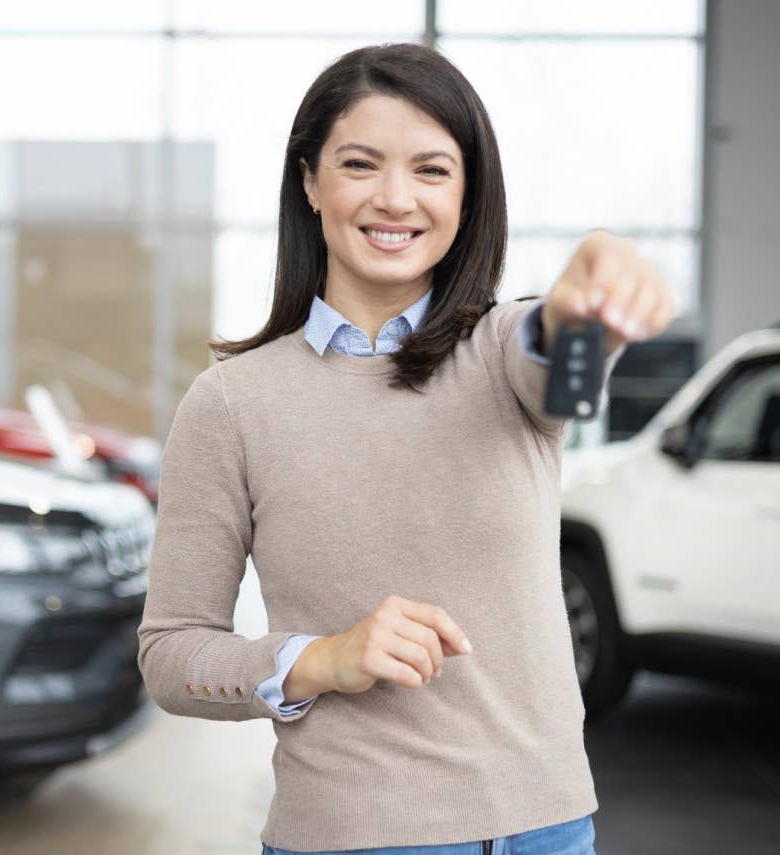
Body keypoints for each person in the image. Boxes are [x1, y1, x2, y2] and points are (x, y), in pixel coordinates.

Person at [136, 42, 676, 855]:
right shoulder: (231, 403)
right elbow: (171, 654)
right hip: (351, 837)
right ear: (311, 181)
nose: (396, 199)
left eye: (431, 170)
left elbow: (559, 362)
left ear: (466, 195)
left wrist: (587, 298)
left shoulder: (504, 353)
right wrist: (319, 658)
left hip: (548, 831)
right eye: (361, 164)